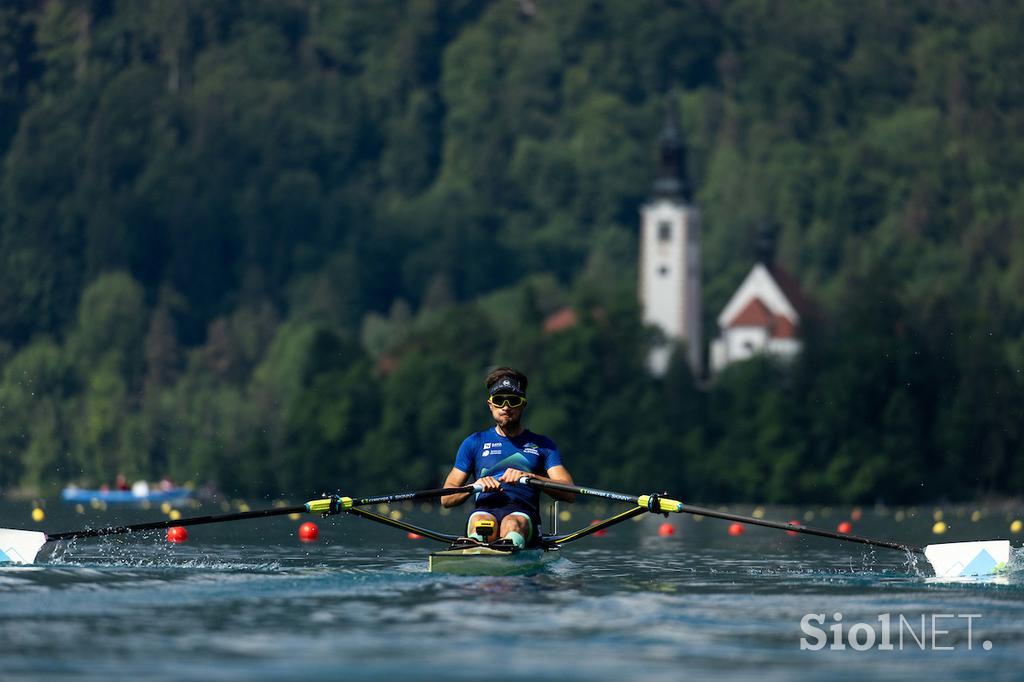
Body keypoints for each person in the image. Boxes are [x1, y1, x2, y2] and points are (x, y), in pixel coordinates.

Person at [440, 367, 575, 549]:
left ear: (522, 404)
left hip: (523, 513)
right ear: (490, 405)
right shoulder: (473, 442)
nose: (505, 407)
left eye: (512, 401)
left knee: (511, 523)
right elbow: (446, 498)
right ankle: (480, 547)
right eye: (499, 400)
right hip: (484, 511)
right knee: (481, 522)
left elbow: (570, 492)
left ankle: (501, 550)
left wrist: (530, 478)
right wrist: (474, 487)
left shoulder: (543, 445)